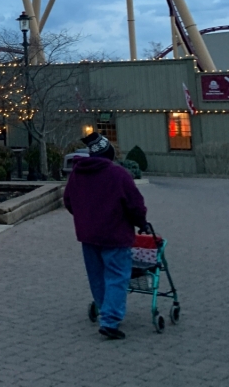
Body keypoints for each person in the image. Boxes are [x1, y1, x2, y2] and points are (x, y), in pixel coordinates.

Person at [64, 130, 148, 340]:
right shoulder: (118, 175)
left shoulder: (77, 174)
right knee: (117, 276)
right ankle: (110, 320)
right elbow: (135, 205)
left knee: (97, 276)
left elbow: (68, 201)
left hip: (87, 234)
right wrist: (141, 223)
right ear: (109, 154)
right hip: (115, 235)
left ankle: (105, 310)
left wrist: (85, 217)